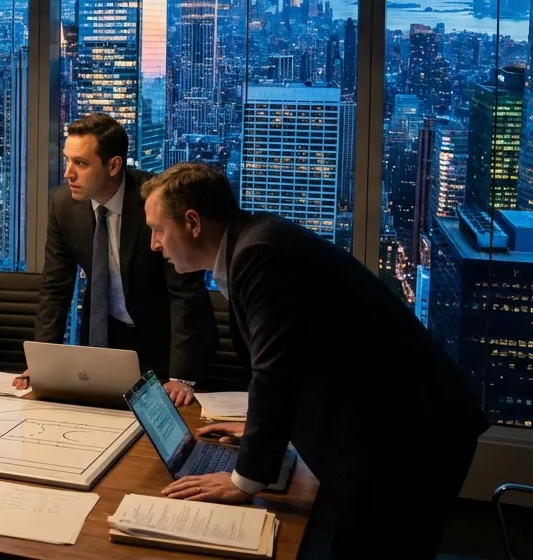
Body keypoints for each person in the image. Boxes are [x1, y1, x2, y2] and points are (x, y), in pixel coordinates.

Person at [142, 162, 488, 560]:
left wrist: (244, 480)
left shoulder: (258, 254)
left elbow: (274, 371)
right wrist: (260, 429)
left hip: (410, 435)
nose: (154, 244)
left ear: (192, 222)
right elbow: (297, 358)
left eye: (158, 229)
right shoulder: (252, 242)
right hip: (395, 426)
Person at [17, 114, 215, 406]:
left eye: (80, 163)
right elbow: (55, 287)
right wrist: (43, 364)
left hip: (168, 342)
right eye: (67, 160)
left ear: (113, 165)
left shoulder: (156, 201)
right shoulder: (63, 203)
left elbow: (184, 292)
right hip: (105, 338)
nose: (68, 173)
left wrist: (181, 376)